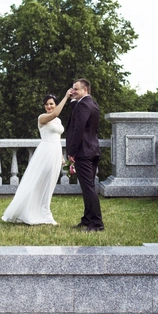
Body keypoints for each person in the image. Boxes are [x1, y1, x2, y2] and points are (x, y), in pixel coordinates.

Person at [2, 89, 72, 225]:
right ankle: (29, 212)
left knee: (50, 184)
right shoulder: (42, 118)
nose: (49, 106)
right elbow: (56, 112)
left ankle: (45, 211)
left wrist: (62, 156)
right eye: (47, 104)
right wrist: (66, 97)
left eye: (51, 104)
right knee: (37, 182)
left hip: (55, 153)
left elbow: (57, 138)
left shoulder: (58, 120)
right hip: (45, 152)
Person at [66, 78, 104, 231]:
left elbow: (78, 129)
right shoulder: (92, 104)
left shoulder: (82, 105)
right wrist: (73, 100)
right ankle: (87, 220)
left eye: (76, 89)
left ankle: (97, 223)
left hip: (83, 152)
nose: (73, 91)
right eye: (72, 89)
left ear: (85, 90)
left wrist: (71, 151)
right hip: (93, 150)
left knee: (88, 188)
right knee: (88, 186)